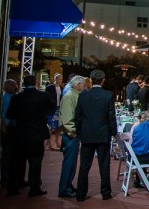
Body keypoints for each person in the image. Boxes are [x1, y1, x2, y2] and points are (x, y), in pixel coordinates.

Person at [6, 74, 55, 197]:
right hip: (37, 134)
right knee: (35, 162)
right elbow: (52, 108)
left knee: (17, 161)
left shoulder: (16, 98)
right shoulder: (43, 96)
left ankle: (14, 187)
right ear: (36, 83)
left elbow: (10, 115)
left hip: (20, 133)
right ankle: (34, 188)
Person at [75, 69, 117, 201]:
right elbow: (111, 117)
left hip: (87, 134)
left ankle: (81, 194)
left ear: (91, 80)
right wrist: (113, 132)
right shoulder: (108, 95)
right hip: (103, 134)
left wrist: (80, 132)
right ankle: (105, 192)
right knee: (104, 165)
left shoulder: (83, 96)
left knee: (84, 166)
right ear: (103, 80)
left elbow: (78, 116)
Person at [58, 75, 86, 198]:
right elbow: (67, 119)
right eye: (83, 84)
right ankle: (64, 188)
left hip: (72, 134)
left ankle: (67, 185)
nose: (84, 86)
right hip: (70, 135)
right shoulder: (70, 97)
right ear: (77, 84)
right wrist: (74, 133)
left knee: (71, 162)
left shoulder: (74, 95)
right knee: (69, 162)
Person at [130, 110, 149, 188]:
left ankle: (139, 179)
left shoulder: (137, 128)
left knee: (144, 149)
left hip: (134, 157)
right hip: (147, 158)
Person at [0, 79, 19, 189]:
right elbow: (4, 115)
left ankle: (9, 178)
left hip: (10, 128)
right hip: (8, 128)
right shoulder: (7, 97)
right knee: (8, 155)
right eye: (14, 85)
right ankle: (6, 179)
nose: (16, 87)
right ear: (8, 87)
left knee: (11, 155)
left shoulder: (9, 97)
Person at [45, 73, 64, 151]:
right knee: (50, 126)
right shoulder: (49, 88)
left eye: (61, 79)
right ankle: (48, 141)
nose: (60, 80)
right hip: (51, 109)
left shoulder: (62, 88)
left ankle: (56, 140)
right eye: (59, 79)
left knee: (58, 126)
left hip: (59, 109)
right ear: (55, 79)